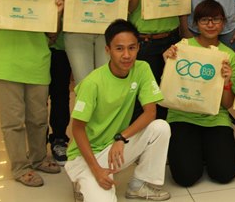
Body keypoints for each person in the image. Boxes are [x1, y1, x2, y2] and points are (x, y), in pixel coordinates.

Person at [65, 19, 171, 201]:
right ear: (108, 50)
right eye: (119, 48)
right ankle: (82, 181)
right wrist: (97, 170)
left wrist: (121, 138)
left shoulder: (142, 68)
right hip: (86, 154)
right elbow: (77, 129)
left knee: (160, 127)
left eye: (132, 48)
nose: (127, 55)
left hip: (114, 146)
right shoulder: (92, 83)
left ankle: (138, 185)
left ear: (138, 47)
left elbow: (150, 113)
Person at [0, 0, 63, 187]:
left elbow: (53, 36)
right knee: (13, 121)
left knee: (37, 116)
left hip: (37, 59)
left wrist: (59, 11)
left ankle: (37, 158)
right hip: (6, 60)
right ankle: (20, 167)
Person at [164, 0, 235, 186]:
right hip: (182, 115)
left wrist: (227, 82)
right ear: (196, 23)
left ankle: (204, 149)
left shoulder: (228, 56)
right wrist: (168, 63)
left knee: (225, 174)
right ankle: (197, 150)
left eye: (216, 19)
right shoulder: (182, 47)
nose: (211, 24)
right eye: (205, 20)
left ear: (223, 23)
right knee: (186, 178)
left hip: (214, 117)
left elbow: (227, 104)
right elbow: (169, 87)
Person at [38, 0, 75, 165]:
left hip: (64, 40)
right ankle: (38, 138)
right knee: (38, 94)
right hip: (36, 39)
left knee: (61, 91)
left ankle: (60, 138)